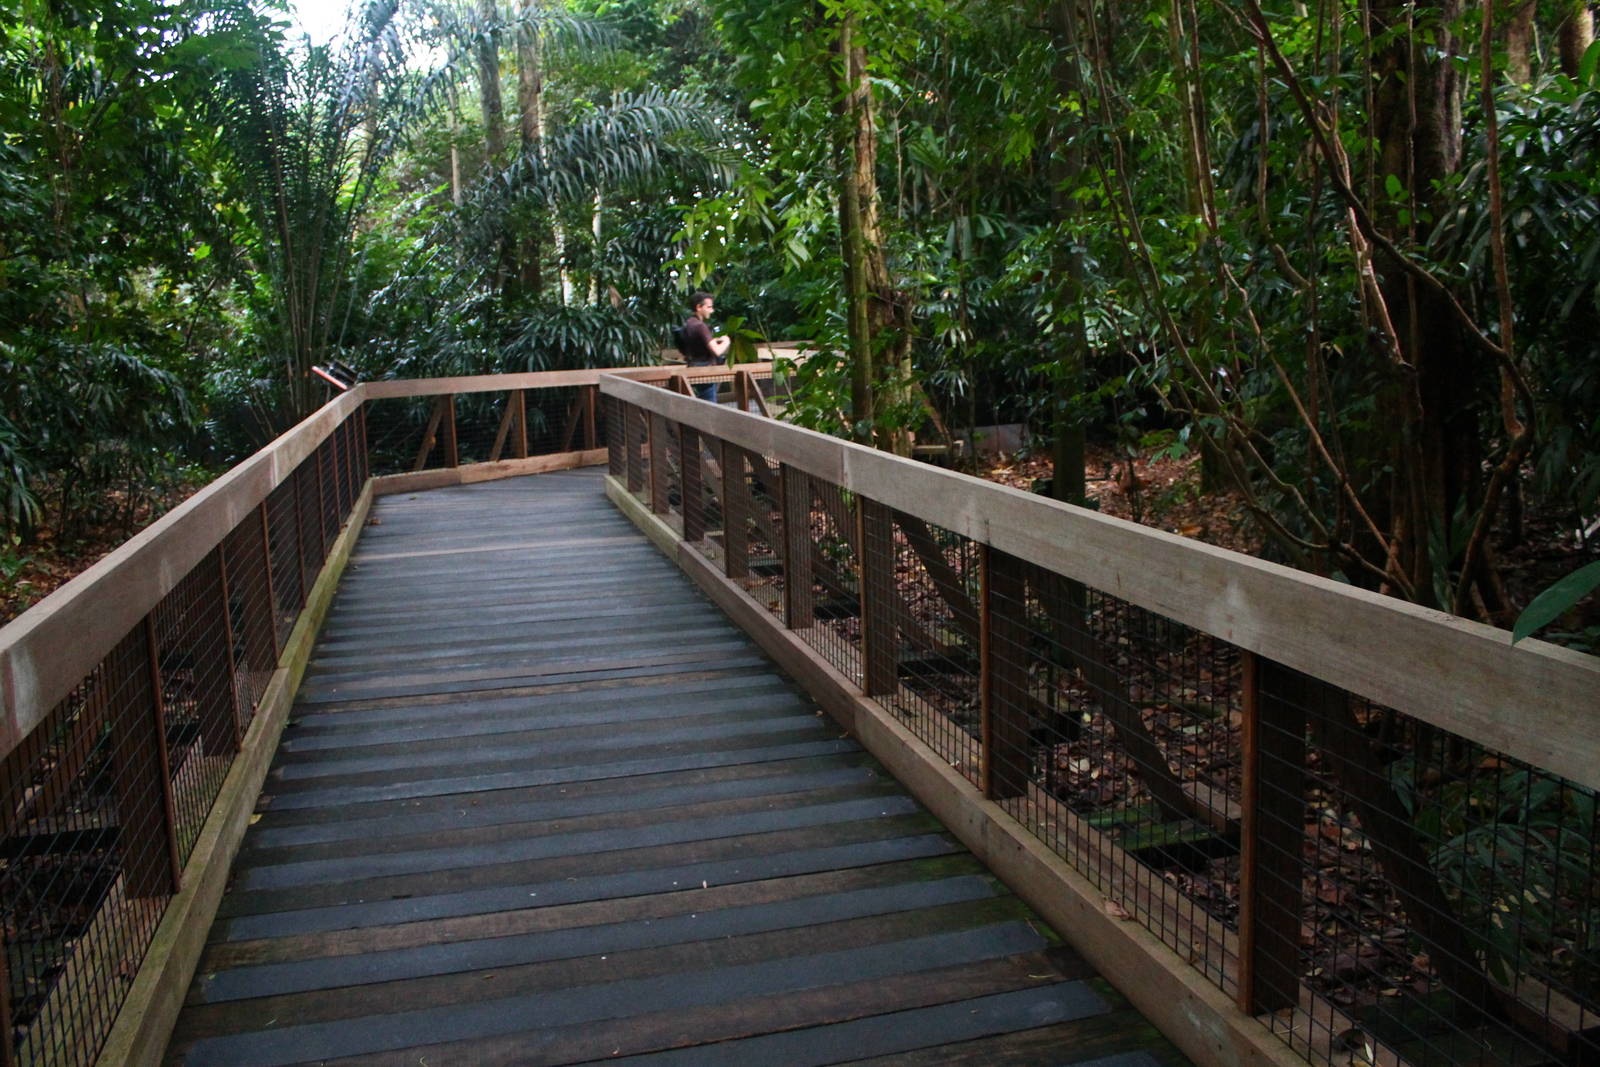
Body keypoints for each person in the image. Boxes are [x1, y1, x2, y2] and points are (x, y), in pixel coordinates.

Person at [680, 292, 730, 402]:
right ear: (699, 307)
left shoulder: (689, 323)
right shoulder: (700, 326)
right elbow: (717, 351)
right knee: (709, 407)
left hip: (692, 367)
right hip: (704, 371)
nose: (711, 311)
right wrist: (726, 341)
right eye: (709, 307)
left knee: (699, 405)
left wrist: (715, 340)